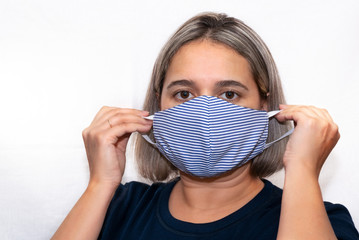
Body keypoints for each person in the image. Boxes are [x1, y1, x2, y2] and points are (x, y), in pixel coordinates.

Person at [52, 12, 358, 239]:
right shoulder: (117, 208)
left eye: (229, 94)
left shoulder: (322, 220)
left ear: (264, 107)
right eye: (184, 93)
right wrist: (100, 184)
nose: (205, 113)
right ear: (159, 106)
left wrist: (303, 169)